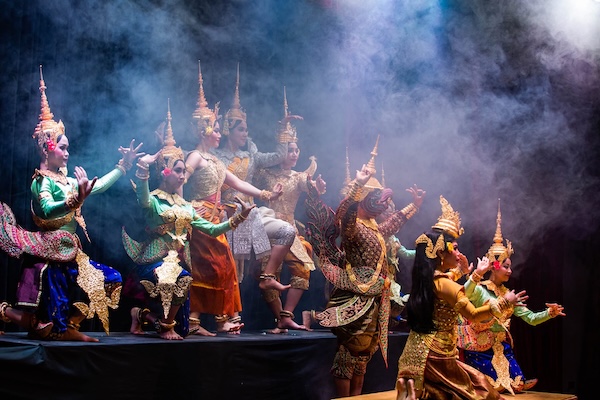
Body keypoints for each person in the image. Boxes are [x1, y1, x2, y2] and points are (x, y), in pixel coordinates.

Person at [0, 66, 142, 341]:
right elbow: (46, 210)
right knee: (48, 326)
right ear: (47, 148)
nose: (67, 153)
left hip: (70, 251)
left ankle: (69, 325)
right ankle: (56, 327)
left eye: (67, 148)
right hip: (49, 254)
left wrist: (123, 166)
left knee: (110, 279)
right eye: (63, 147)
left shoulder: (65, 179)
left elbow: (97, 186)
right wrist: (76, 199)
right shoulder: (41, 181)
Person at [123, 102, 253, 340]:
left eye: (184, 172)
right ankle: (165, 327)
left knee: (184, 299)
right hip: (156, 259)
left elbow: (212, 229)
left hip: (179, 260)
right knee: (178, 277)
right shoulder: (155, 200)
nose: (183, 176)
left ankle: (142, 315)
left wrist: (239, 218)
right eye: (178, 171)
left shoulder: (185, 207)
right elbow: (142, 198)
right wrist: (142, 168)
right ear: (166, 172)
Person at [183, 63, 289, 334]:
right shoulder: (196, 156)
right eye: (217, 129)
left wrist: (267, 194)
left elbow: (238, 183)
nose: (220, 133)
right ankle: (198, 322)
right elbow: (182, 178)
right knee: (214, 267)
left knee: (223, 267)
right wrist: (183, 206)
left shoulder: (215, 160)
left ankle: (217, 320)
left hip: (215, 217)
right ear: (205, 132)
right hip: (200, 216)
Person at [314, 141, 425, 398]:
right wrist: (358, 185)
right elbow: (345, 214)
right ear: (365, 200)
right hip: (355, 293)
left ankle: (359, 397)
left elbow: (393, 223)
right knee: (350, 349)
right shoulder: (353, 227)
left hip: (375, 295)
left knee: (364, 353)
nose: (383, 205)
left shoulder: (374, 227)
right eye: (377, 200)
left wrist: (415, 205)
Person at [396, 196, 528, 400]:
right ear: (441, 253)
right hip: (438, 355)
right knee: (482, 391)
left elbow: (449, 279)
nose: (459, 254)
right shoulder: (447, 285)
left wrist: (469, 273)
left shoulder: (427, 279)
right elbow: (473, 315)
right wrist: (504, 302)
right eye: (455, 248)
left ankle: (415, 392)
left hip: (415, 353)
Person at [457, 200, 566, 394]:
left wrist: (549, 313)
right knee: (491, 388)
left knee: (516, 384)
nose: (510, 271)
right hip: (478, 348)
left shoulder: (510, 295)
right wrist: (477, 274)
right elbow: (462, 295)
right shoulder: (480, 289)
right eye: (506, 266)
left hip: (501, 348)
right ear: (494, 266)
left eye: (510, 266)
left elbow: (531, 318)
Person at [213, 74, 300, 284]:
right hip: (226, 215)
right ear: (228, 130)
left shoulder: (251, 155)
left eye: (246, 130)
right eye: (241, 129)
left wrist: (283, 130)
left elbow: (279, 156)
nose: (245, 134)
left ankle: (267, 276)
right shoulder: (215, 157)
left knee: (286, 232)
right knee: (229, 270)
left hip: (250, 213)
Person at [253, 134, 326, 332]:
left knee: (302, 268)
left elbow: (309, 187)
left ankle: (286, 316)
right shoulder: (264, 174)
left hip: (290, 228)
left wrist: (317, 188)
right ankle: (279, 319)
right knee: (267, 276)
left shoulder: (298, 177)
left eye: (296, 150)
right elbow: (248, 183)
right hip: (268, 225)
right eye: (289, 150)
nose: (294, 154)